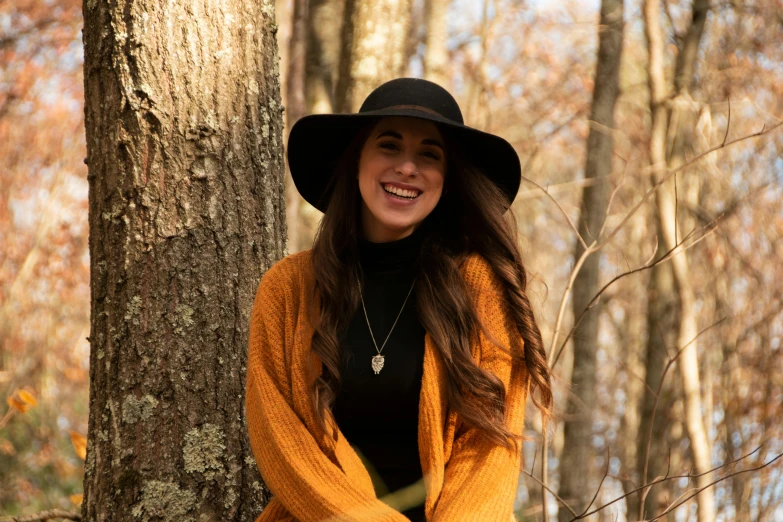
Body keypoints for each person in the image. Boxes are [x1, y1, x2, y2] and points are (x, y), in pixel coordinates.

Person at [245, 77, 553, 522]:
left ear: (447, 180)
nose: (408, 168)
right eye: (389, 146)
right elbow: (282, 441)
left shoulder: (480, 288)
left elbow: (489, 451)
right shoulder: (287, 290)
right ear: (355, 161)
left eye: (429, 154)